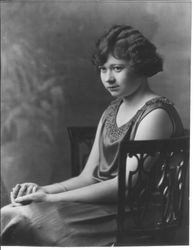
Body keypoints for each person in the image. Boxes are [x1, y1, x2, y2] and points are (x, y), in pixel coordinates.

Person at [1, 24, 184, 246]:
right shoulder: (112, 110)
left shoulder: (156, 114)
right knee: (14, 211)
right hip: (100, 205)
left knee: (29, 219)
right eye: (103, 68)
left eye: (117, 68)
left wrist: (51, 199)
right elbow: (87, 177)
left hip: (136, 213)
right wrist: (41, 190)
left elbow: (126, 187)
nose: (108, 78)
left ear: (140, 67)